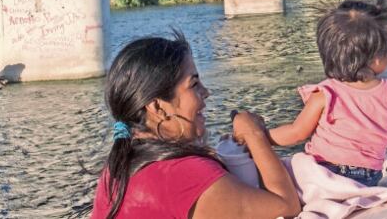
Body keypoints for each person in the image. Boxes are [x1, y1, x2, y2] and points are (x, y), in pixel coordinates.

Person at [90, 33, 300, 219]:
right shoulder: (181, 174)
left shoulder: (118, 165)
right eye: (194, 84)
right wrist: (253, 133)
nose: (206, 91)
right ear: (157, 107)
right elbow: (286, 206)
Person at [268, 0, 387, 186]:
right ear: (376, 58)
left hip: (323, 173)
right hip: (368, 178)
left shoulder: (326, 94)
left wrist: (259, 137)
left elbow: (297, 133)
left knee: (282, 170)